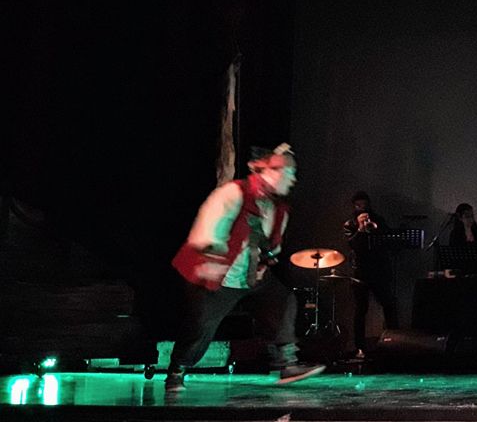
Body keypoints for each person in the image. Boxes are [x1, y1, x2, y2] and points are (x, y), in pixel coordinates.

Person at [167, 143, 324, 391]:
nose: (292, 179)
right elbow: (208, 228)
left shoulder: (280, 210)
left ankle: (287, 363)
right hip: (219, 276)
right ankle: (177, 370)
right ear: (266, 171)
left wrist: (266, 260)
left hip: (250, 275)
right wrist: (209, 258)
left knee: (282, 300)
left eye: (293, 174)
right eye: (287, 172)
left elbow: (272, 246)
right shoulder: (233, 193)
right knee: (200, 328)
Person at [342, 191, 400, 357]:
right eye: (359, 205)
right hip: (360, 272)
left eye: (365, 205)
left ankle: (394, 342)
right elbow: (354, 245)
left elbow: (388, 240)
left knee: (389, 304)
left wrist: (375, 229)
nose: (362, 208)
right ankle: (360, 347)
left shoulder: (379, 220)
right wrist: (361, 228)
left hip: (379, 270)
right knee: (361, 310)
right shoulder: (349, 224)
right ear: (354, 206)